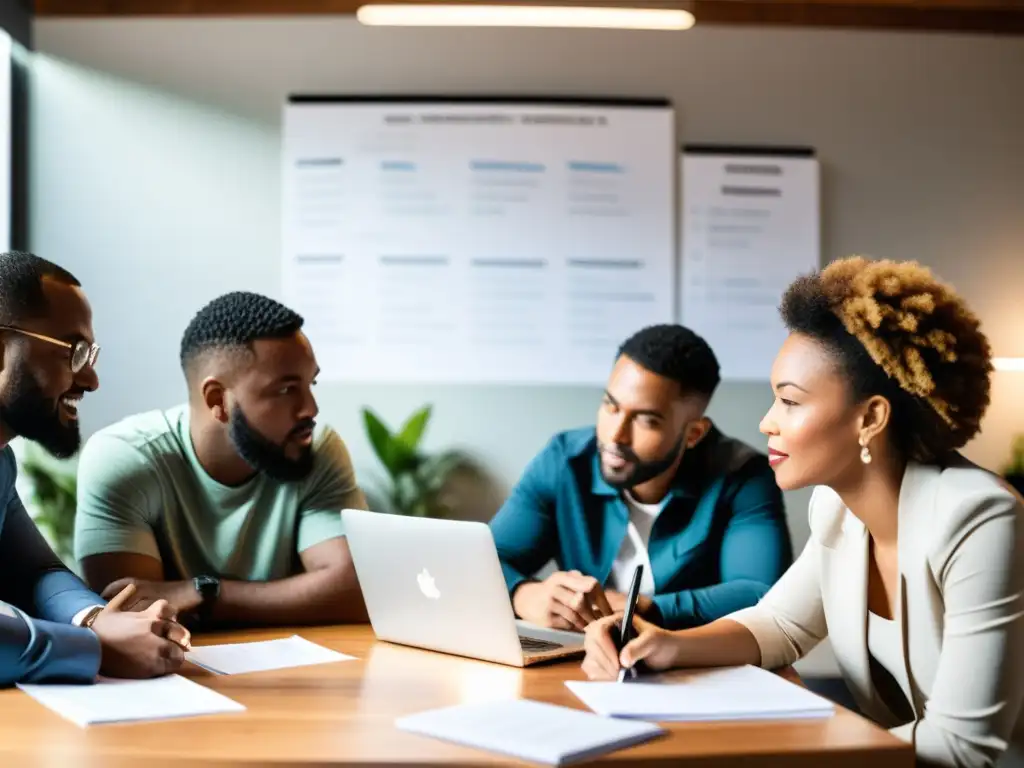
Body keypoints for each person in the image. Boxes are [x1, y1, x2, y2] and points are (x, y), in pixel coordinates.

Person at [581, 258, 1024, 768]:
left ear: (871, 417)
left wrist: (793, 749)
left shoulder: (978, 520)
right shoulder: (839, 506)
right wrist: (665, 645)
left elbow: (963, 747)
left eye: (789, 402)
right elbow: (781, 625)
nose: (767, 422)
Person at [73, 291, 368, 629]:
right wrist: (295, 596)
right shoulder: (125, 458)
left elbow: (352, 588)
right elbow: (138, 617)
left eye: (310, 383)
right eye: (287, 390)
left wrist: (202, 593)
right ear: (218, 399)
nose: (311, 409)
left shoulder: (315, 448)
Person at [490, 324, 792, 632]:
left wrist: (646, 608)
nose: (615, 435)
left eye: (646, 420)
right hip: (583, 661)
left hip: (699, 665)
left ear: (693, 434)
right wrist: (524, 595)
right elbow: (486, 561)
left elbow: (760, 592)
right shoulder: (564, 461)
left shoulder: (743, 476)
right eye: (611, 406)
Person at [0, 250, 190, 685]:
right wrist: (97, 648)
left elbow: (36, 571)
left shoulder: (1, 463)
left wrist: (95, 620)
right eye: (74, 351)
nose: (91, 379)